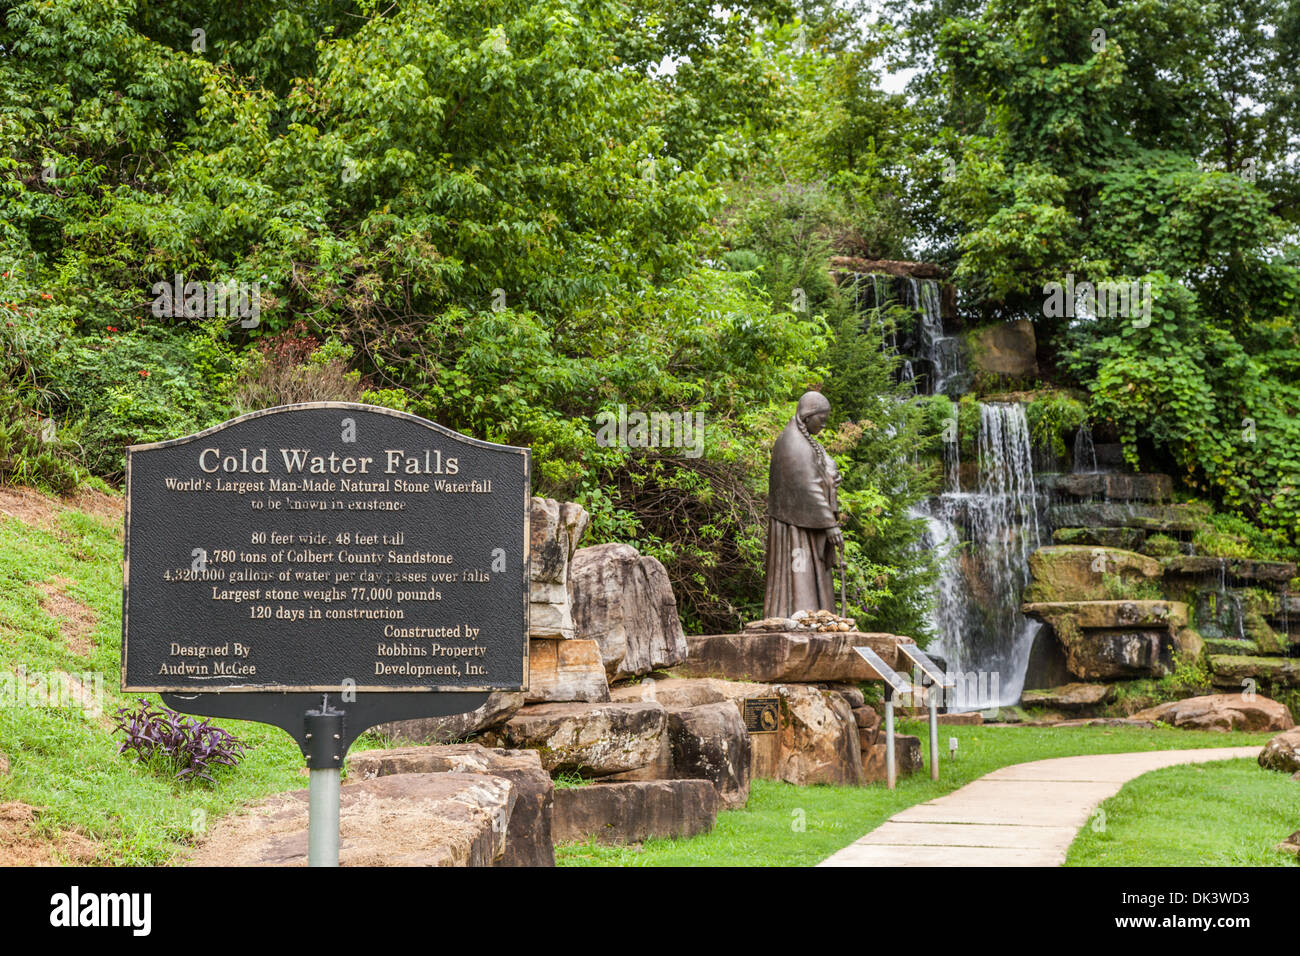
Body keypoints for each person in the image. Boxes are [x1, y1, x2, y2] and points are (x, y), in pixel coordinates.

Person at [763, 390, 842, 618]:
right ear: (808, 416)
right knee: (800, 569)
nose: (824, 425)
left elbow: (819, 471)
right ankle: (798, 615)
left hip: (806, 523)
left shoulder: (805, 440)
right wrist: (830, 525)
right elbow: (807, 487)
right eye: (822, 419)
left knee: (808, 569)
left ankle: (815, 616)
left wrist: (830, 476)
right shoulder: (793, 443)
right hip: (794, 526)